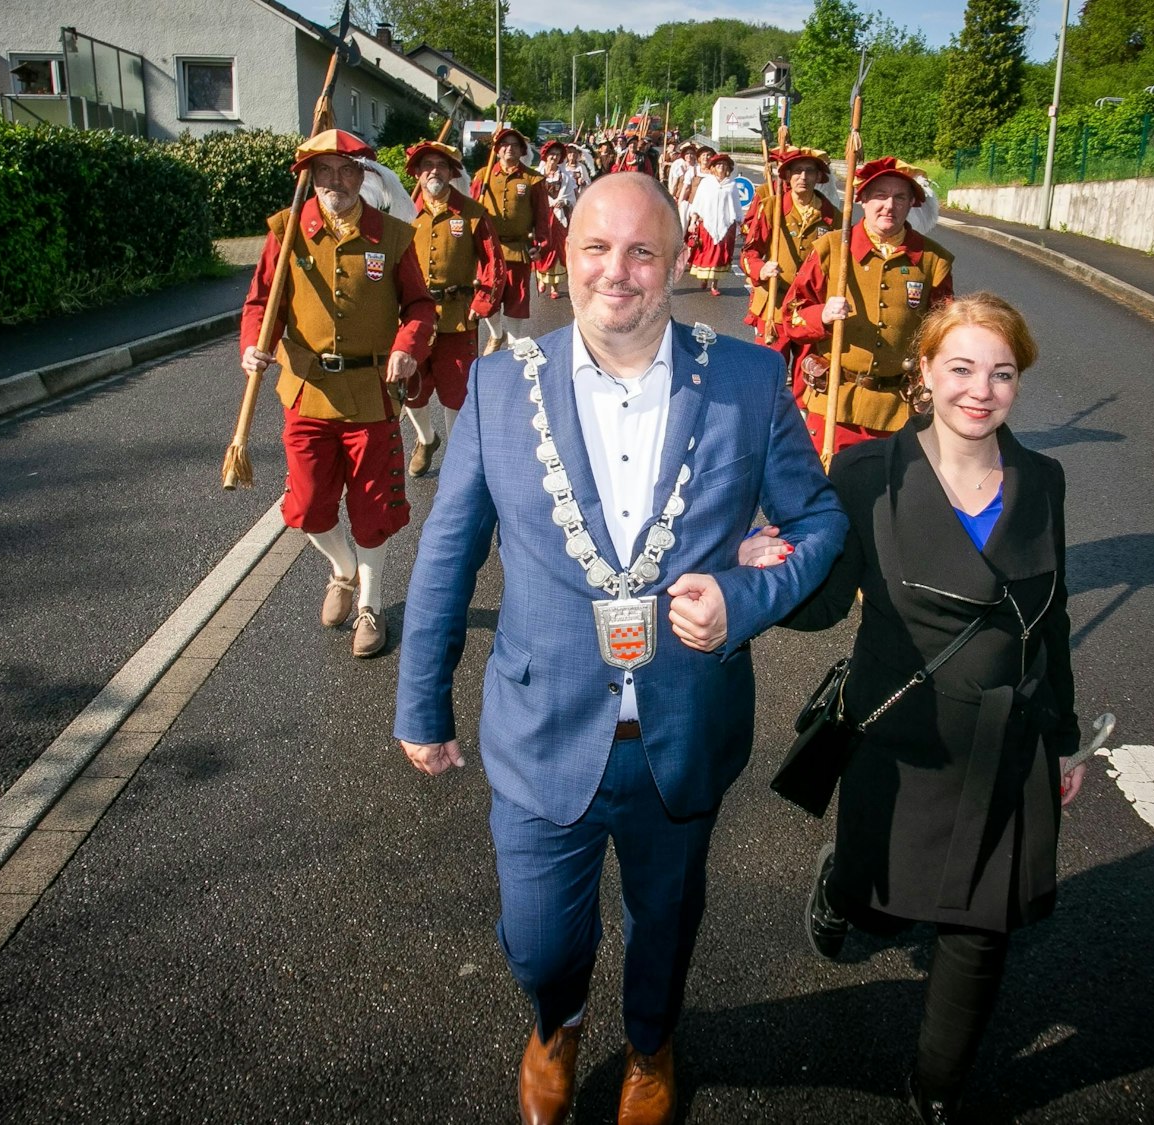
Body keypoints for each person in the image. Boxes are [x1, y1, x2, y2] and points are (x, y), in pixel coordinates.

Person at [394, 172, 847, 1125]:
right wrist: (421, 703)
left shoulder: (750, 379)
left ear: (679, 262)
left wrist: (745, 596)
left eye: (644, 251)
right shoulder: (497, 384)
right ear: (564, 258)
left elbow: (819, 521)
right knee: (538, 938)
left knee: (666, 926)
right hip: (540, 721)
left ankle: (651, 1045)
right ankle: (554, 1021)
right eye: (597, 248)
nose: (619, 272)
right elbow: (447, 549)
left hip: (682, 731)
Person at [741, 292, 1083, 1124]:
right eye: (961, 367)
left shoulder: (1044, 478)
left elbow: (1053, 619)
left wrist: (1064, 739)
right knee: (878, 899)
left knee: (980, 929)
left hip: (1007, 739)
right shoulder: (867, 476)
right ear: (924, 373)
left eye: (1002, 372)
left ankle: (938, 1087)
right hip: (902, 741)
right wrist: (766, 566)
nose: (981, 388)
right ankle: (841, 891)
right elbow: (823, 605)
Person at [239, 129, 435, 655]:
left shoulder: (392, 236)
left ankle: (370, 604)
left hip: (373, 393)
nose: (336, 182)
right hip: (307, 391)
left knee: (373, 510)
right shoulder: (286, 233)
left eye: (348, 171)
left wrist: (408, 345)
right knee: (305, 507)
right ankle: (342, 570)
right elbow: (263, 303)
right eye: (324, 171)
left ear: (362, 177)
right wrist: (254, 345)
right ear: (310, 178)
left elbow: (419, 306)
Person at [783, 156, 953, 455]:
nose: (889, 205)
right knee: (828, 493)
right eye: (880, 195)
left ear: (912, 203)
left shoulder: (933, 261)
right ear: (862, 199)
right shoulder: (831, 248)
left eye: (900, 197)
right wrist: (821, 315)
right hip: (836, 403)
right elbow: (791, 315)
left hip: (900, 410)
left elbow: (945, 334)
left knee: (890, 498)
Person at [401, 140, 503, 477]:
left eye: (440, 165)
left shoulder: (473, 213)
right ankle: (426, 438)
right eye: (426, 165)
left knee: (455, 393)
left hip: (458, 318)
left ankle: (457, 461)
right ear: (416, 173)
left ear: (451, 172)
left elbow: (493, 262)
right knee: (412, 388)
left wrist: (482, 301)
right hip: (413, 320)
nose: (433, 171)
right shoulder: (404, 215)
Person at [740, 146, 841, 358]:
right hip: (774, 305)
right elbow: (748, 253)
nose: (803, 177)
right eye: (797, 171)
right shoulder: (771, 208)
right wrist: (761, 269)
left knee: (807, 378)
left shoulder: (832, 216)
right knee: (769, 371)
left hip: (811, 310)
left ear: (818, 177)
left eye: (810, 171)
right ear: (787, 175)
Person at [472, 126, 555, 345]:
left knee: (516, 302)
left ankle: (514, 345)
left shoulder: (533, 179)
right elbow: (470, 211)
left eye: (515, 145)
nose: (509, 149)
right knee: (487, 297)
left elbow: (542, 216)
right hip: (488, 250)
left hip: (519, 250)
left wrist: (542, 244)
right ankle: (497, 334)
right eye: (504, 144)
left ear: (522, 150)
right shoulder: (483, 176)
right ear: (497, 150)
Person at [684, 153, 740, 296]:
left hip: (726, 226)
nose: (721, 167)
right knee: (707, 254)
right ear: (713, 168)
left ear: (728, 168)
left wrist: (739, 224)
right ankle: (704, 278)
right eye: (718, 165)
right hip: (706, 225)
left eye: (724, 165)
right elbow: (698, 203)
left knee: (720, 255)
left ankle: (715, 284)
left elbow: (736, 206)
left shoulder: (731, 185)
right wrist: (693, 221)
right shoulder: (706, 183)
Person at [534, 140, 579, 301]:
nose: (554, 157)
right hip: (543, 217)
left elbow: (571, 197)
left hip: (559, 218)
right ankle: (541, 278)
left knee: (558, 250)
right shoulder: (537, 176)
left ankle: (555, 287)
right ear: (546, 156)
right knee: (543, 248)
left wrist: (564, 202)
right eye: (551, 154)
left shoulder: (565, 176)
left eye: (557, 154)